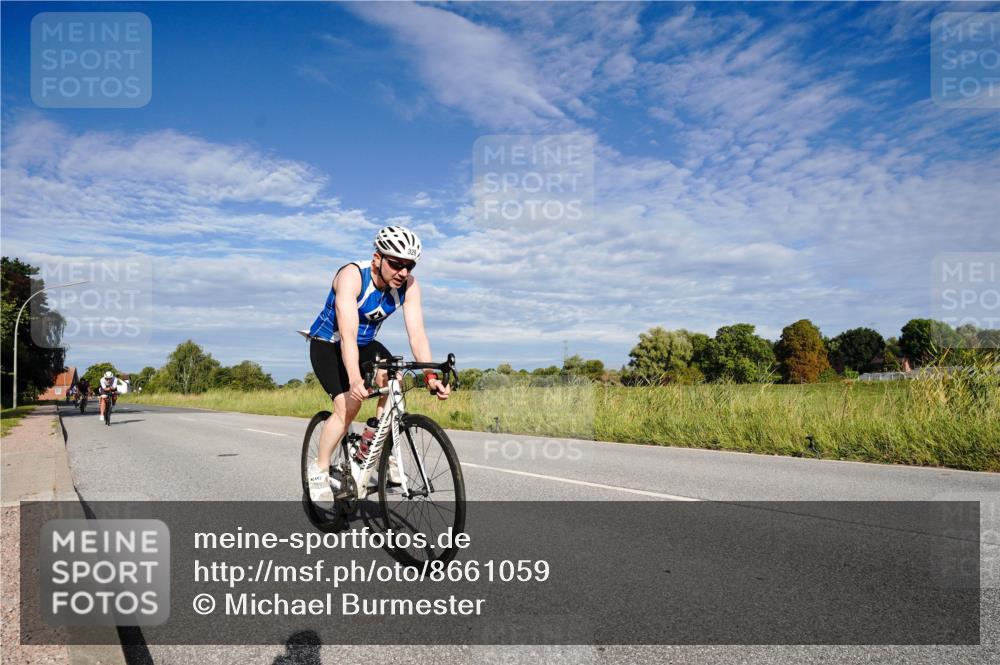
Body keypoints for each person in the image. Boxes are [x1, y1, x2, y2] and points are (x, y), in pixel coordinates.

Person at [304, 226, 449, 502]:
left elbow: (417, 334)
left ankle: (377, 448)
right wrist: (356, 379)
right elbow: (347, 336)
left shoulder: (409, 286)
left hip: (364, 344)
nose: (403, 272)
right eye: (396, 264)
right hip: (328, 343)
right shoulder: (351, 276)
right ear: (377, 258)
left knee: (394, 379)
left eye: (409, 266)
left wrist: (430, 376)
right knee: (350, 404)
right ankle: (319, 468)